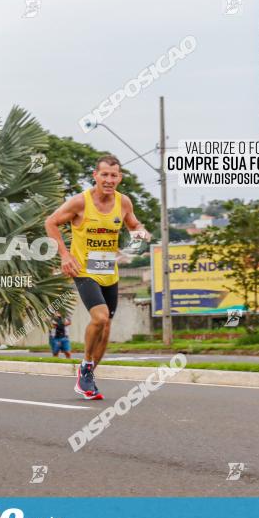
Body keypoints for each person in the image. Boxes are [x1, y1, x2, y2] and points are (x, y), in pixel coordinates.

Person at [45, 155, 151, 400]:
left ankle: (88, 373)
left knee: (106, 328)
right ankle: (85, 368)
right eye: (104, 175)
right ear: (95, 176)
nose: (109, 180)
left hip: (108, 272)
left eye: (114, 175)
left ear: (120, 178)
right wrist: (64, 255)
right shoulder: (80, 202)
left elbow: (133, 224)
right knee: (100, 317)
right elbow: (50, 222)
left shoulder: (123, 202)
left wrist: (140, 231)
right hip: (84, 271)